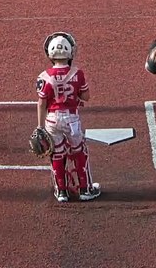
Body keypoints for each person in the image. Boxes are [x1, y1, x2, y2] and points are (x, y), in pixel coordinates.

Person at [35, 32, 100, 202]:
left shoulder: (44, 76)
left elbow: (41, 103)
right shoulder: (77, 73)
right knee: (80, 152)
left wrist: (40, 127)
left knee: (56, 154)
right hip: (72, 120)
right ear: (70, 52)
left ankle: (61, 191)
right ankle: (85, 189)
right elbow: (86, 97)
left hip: (52, 120)